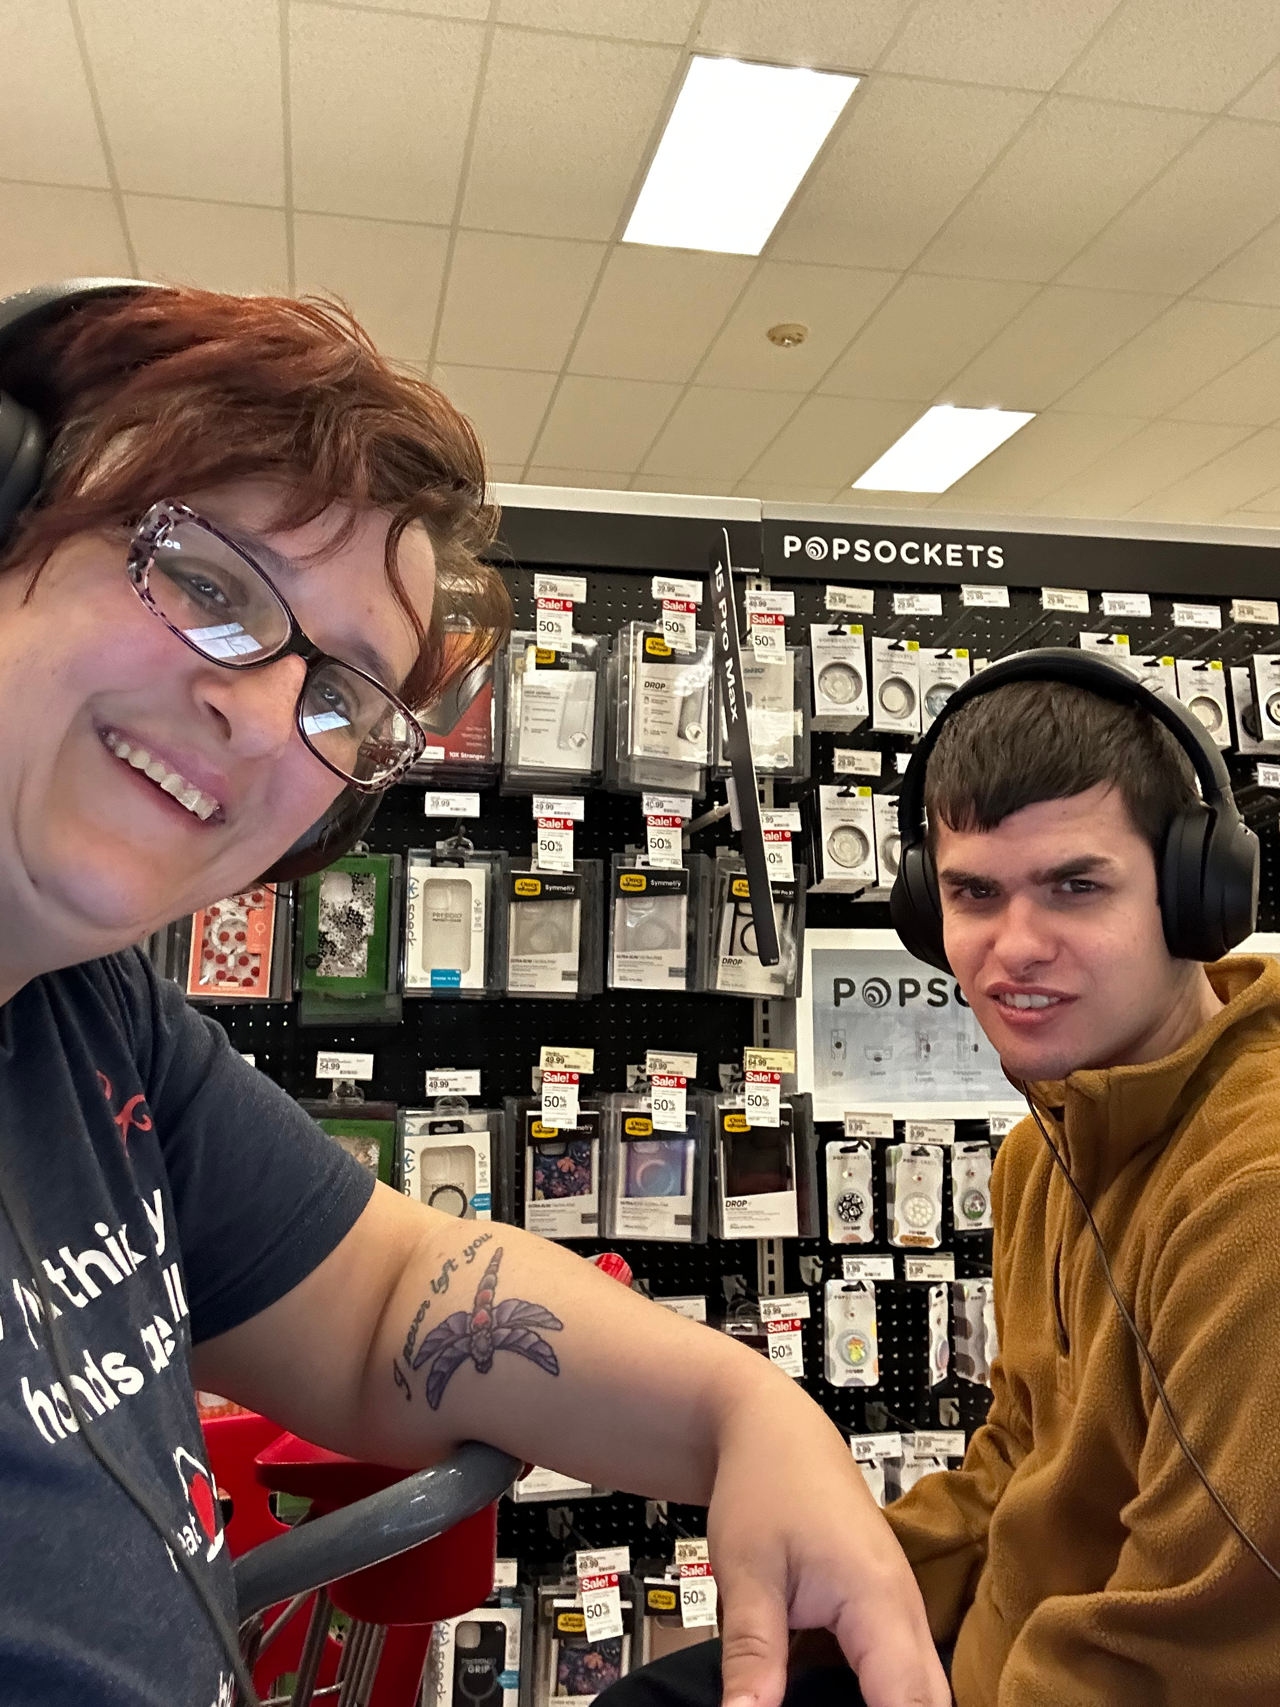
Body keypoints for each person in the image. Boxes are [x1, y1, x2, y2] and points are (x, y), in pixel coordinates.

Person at [0, 281, 947, 1707]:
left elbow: (387, 1296)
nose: (262, 717)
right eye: (207, 583)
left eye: (339, 694)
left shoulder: (86, 1019)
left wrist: (752, 1406)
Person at [610, 671, 1280, 1707]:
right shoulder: (1044, 1150)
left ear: (1193, 898)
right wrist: (853, 1586)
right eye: (973, 893)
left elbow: (1192, 1644)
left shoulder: (1253, 1196)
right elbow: (1021, 1457)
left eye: (1073, 886)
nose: (1010, 948)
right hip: (989, 1658)